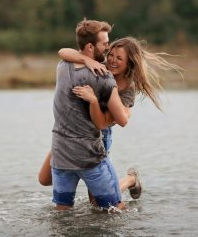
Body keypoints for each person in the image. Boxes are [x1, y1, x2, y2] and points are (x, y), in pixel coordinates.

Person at [39, 23, 183, 209]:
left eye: (119, 59)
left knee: (99, 203)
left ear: (129, 63)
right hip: (70, 133)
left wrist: (99, 100)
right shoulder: (100, 66)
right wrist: (87, 60)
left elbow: (116, 120)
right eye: (111, 55)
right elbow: (63, 52)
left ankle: (131, 179)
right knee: (44, 178)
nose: (112, 60)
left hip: (99, 135)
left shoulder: (126, 89)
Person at [48, 18, 131, 211]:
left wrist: (84, 59)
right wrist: (126, 110)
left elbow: (64, 52)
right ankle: (131, 180)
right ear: (91, 47)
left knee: (62, 213)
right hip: (89, 157)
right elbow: (122, 120)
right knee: (116, 210)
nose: (108, 48)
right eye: (105, 44)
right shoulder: (104, 77)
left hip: (61, 155)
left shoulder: (62, 66)